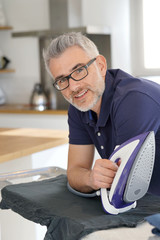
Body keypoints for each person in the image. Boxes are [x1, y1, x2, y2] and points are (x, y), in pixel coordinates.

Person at [43, 32, 160, 196]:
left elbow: (122, 183)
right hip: (142, 204)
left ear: (101, 65)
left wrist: (95, 178)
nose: (73, 87)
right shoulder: (80, 106)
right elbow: (75, 171)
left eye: (79, 71)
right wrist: (91, 178)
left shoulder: (134, 100)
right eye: (62, 80)